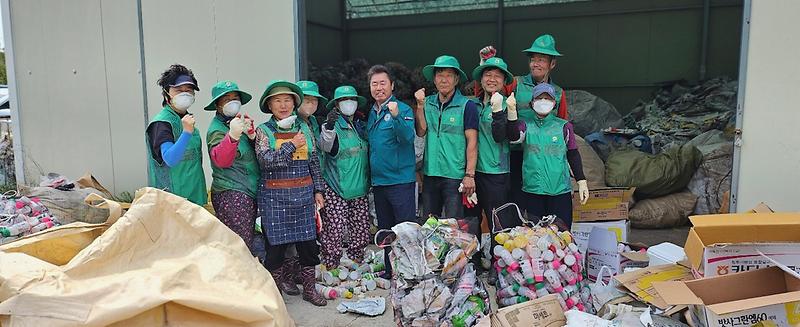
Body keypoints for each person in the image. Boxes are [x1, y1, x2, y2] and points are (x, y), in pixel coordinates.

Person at [253, 80, 327, 306]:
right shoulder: (264, 131)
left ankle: (309, 290)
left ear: (295, 103)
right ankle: (277, 295)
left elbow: (313, 161)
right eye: (277, 101)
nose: (283, 105)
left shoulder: (304, 128)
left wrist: (318, 190)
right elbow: (265, 161)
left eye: (288, 100)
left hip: (303, 198)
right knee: (275, 249)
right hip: (274, 199)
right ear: (269, 105)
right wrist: (291, 145)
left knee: (308, 246)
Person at [479, 35, 570, 209]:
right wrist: (485, 65)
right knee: (517, 202)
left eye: (541, 59)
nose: (536, 63)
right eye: (533, 59)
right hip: (515, 154)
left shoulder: (558, 93)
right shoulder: (515, 83)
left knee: (544, 201)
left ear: (552, 64)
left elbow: (563, 127)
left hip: (542, 157)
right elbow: (488, 90)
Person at [504, 83, 589, 229]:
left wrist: (581, 181)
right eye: (539, 98)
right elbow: (513, 137)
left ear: (554, 103)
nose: (543, 101)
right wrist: (512, 113)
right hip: (533, 190)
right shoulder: (525, 125)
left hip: (559, 191)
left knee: (562, 234)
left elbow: (573, 154)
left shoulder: (563, 126)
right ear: (532, 103)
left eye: (547, 98)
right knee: (536, 238)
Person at [468, 57, 521, 278]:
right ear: (481, 79)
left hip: (496, 172)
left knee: (496, 220)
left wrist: (500, 110)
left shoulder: (508, 104)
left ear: (504, 81)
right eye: (487, 75)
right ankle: (474, 260)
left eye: (497, 76)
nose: (491, 79)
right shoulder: (473, 104)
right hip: (471, 172)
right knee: (471, 220)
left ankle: (498, 263)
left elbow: (505, 136)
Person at [365, 64, 417, 277]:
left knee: (404, 231)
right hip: (380, 183)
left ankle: (409, 272)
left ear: (392, 85)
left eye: (383, 83)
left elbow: (408, 137)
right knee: (385, 230)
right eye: (374, 84)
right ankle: (390, 270)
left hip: (400, 181)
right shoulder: (372, 112)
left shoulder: (401, 109)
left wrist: (395, 116)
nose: (379, 88)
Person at [414, 55, 479, 219]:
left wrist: (469, 175)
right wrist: (420, 107)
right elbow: (421, 132)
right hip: (430, 174)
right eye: (440, 75)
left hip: (454, 177)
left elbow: (472, 142)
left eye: (449, 75)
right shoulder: (427, 103)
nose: (444, 80)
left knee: (454, 226)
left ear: (456, 79)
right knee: (429, 224)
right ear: (434, 80)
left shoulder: (467, 106)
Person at [318, 85, 371, 269]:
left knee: (361, 230)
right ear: (336, 105)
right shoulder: (331, 127)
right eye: (343, 100)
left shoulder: (359, 126)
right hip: (336, 188)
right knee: (334, 230)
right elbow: (325, 146)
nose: (349, 103)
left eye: (352, 99)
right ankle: (330, 266)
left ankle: (356, 262)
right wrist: (330, 126)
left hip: (360, 188)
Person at [204, 80, 259, 252]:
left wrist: (252, 136)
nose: (232, 102)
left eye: (235, 98)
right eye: (226, 99)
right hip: (232, 192)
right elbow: (221, 160)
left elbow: (253, 155)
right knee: (238, 244)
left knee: (250, 238)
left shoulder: (235, 123)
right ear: (217, 105)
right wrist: (233, 136)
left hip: (248, 189)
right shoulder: (217, 129)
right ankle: (241, 276)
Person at [145, 64, 207, 205]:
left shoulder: (187, 120)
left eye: (189, 90)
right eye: (178, 90)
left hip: (195, 199)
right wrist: (186, 133)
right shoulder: (162, 123)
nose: (184, 94)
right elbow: (170, 159)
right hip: (173, 202)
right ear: (166, 93)